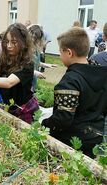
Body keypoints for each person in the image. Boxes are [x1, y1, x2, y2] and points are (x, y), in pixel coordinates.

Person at [42, 27, 107, 158]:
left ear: (69, 53)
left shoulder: (71, 80)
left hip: (72, 142)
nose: (60, 55)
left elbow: (63, 119)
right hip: (95, 137)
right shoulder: (101, 73)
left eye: (60, 52)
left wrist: (44, 124)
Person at [28, 24, 56, 91]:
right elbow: (22, 67)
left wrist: (46, 65)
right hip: (26, 81)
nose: (34, 40)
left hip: (33, 80)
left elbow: (36, 62)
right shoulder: (25, 49)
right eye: (33, 37)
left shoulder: (36, 48)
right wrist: (35, 72)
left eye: (36, 38)